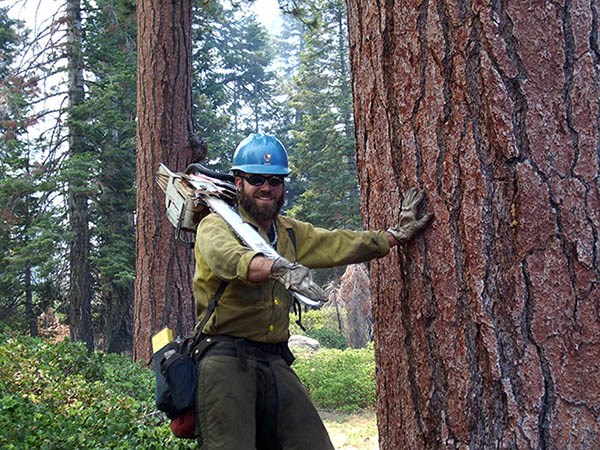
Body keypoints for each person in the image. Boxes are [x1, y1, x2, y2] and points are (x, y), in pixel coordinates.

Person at [192, 132, 432, 450]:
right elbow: (230, 259)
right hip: (223, 357)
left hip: (274, 359)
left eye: (274, 180)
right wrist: (278, 268)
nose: (266, 187)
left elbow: (336, 243)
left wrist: (393, 236)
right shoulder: (216, 226)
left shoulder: (290, 232)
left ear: (282, 186)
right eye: (256, 179)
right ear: (239, 183)